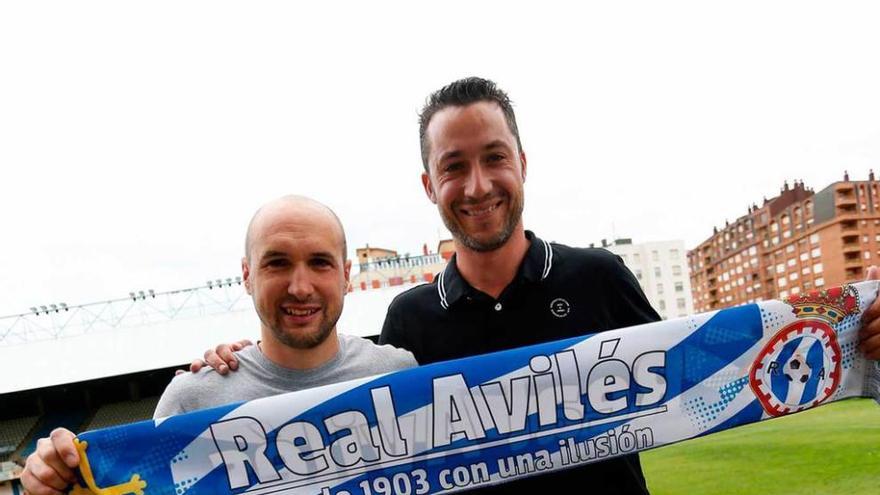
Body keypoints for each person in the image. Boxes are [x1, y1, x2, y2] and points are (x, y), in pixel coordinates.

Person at [196, 77, 880, 491]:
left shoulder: (599, 277)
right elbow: (323, 408)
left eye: (494, 158)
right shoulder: (409, 321)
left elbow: (707, 371)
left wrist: (856, 342)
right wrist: (237, 363)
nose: (477, 185)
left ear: (521, 162)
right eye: (453, 166)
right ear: (429, 184)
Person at [20, 195, 417, 495]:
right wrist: (60, 478)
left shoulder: (403, 379)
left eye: (320, 262)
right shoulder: (192, 400)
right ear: (247, 275)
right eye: (276, 263)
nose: (300, 287)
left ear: (346, 274)